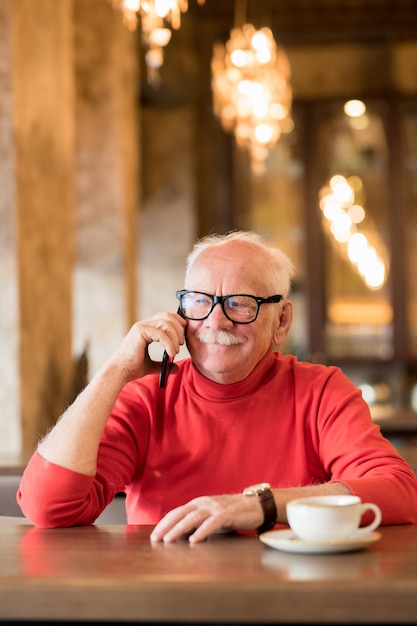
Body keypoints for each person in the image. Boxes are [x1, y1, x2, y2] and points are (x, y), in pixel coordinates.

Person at [17, 230, 417, 542]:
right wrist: (116, 369)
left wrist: (261, 505)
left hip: (290, 599)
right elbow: (48, 507)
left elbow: (398, 490)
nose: (215, 321)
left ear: (281, 322)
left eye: (239, 303)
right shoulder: (145, 399)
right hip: (164, 600)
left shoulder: (321, 391)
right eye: (198, 300)